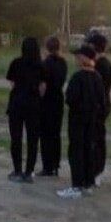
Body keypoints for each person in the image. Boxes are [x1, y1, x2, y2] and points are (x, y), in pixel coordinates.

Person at [58, 43, 106, 199]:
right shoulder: (97, 77)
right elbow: (102, 100)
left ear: (84, 58)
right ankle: (87, 182)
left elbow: (70, 98)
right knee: (88, 149)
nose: (76, 59)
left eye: (78, 57)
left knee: (76, 151)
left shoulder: (78, 77)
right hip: (92, 118)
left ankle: (77, 184)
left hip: (78, 118)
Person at [6, 36, 46, 183]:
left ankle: (17, 170)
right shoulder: (40, 66)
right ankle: (29, 171)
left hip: (17, 103)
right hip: (34, 105)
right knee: (32, 139)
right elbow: (43, 88)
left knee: (16, 138)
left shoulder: (16, 63)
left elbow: (12, 83)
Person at [38, 36, 68, 177]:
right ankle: (56, 164)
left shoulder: (45, 64)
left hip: (47, 100)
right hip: (58, 98)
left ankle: (47, 166)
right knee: (56, 133)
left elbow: (43, 85)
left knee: (45, 134)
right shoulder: (63, 63)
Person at [89, 33, 111, 185]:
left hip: (99, 106)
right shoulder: (104, 63)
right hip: (102, 104)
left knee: (97, 139)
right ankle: (96, 169)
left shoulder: (101, 65)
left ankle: (97, 170)